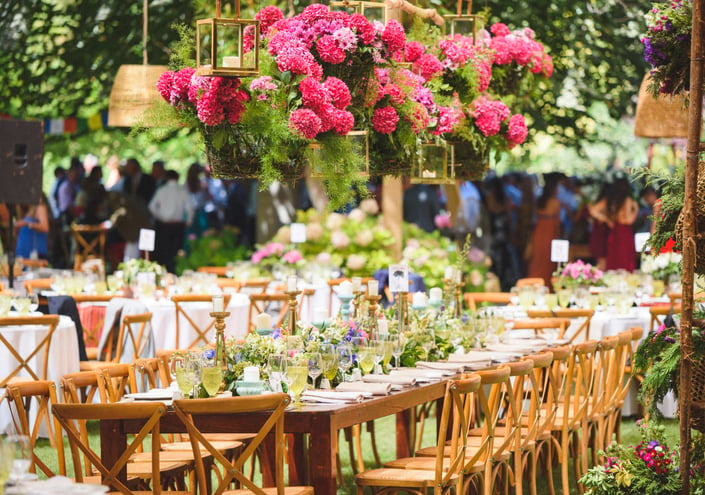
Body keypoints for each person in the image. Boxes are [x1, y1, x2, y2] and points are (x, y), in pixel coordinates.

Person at [588, 177, 639, 271]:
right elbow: (629, 220)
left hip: (614, 231)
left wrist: (606, 219)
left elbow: (593, 210)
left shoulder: (610, 199)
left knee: (614, 260)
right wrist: (635, 210)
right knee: (624, 261)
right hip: (624, 232)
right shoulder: (627, 200)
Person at [149, 170, 193, 273]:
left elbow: (151, 207)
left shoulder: (162, 190)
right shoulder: (182, 190)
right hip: (178, 226)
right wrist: (189, 221)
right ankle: (174, 272)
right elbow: (189, 208)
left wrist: (161, 217)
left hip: (165, 225)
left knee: (165, 252)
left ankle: (166, 273)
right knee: (176, 253)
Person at [527, 174, 561, 287]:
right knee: (547, 264)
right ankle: (546, 287)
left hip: (538, 234)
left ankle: (534, 285)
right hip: (549, 235)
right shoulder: (556, 203)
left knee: (537, 262)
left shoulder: (539, 201)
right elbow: (557, 225)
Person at [15, 195, 50, 259]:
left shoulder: (39, 207)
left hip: (34, 252)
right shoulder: (26, 210)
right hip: (24, 251)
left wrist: (26, 224)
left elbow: (45, 227)